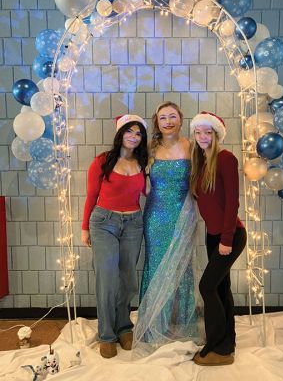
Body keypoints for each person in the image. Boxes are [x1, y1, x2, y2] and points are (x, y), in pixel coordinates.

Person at [133, 102, 202, 357]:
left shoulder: (191, 146)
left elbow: (200, 178)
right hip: (156, 217)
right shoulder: (149, 148)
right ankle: (153, 326)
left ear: (181, 120)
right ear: (157, 121)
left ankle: (183, 325)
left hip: (184, 214)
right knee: (157, 265)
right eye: (163, 117)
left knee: (182, 268)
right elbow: (134, 176)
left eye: (173, 116)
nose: (169, 121)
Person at [81, 114, 148, 359]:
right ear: (120, 134)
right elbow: (91, 196)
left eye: (138, 133)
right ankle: (106, 334)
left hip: (133, 224)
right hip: (104, 223)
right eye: (129, 131)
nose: (134, 136)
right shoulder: (102, 161)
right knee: (107, 279)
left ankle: (123, 326)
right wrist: (85, 228)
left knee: (128, 278)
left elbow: (148, 192)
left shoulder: (143, 163)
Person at [190, 111, 247, 366]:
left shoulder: (225, 159)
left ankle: (218, 347)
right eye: (198, 132)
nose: (202, 137)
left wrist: (226, 239)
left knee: (207, 287)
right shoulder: (201, 162)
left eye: (207, 132)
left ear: (216, 134)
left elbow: (232, 202)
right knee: (222, 288)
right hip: (213, 235)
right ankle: (227, 341)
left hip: (230, 236)